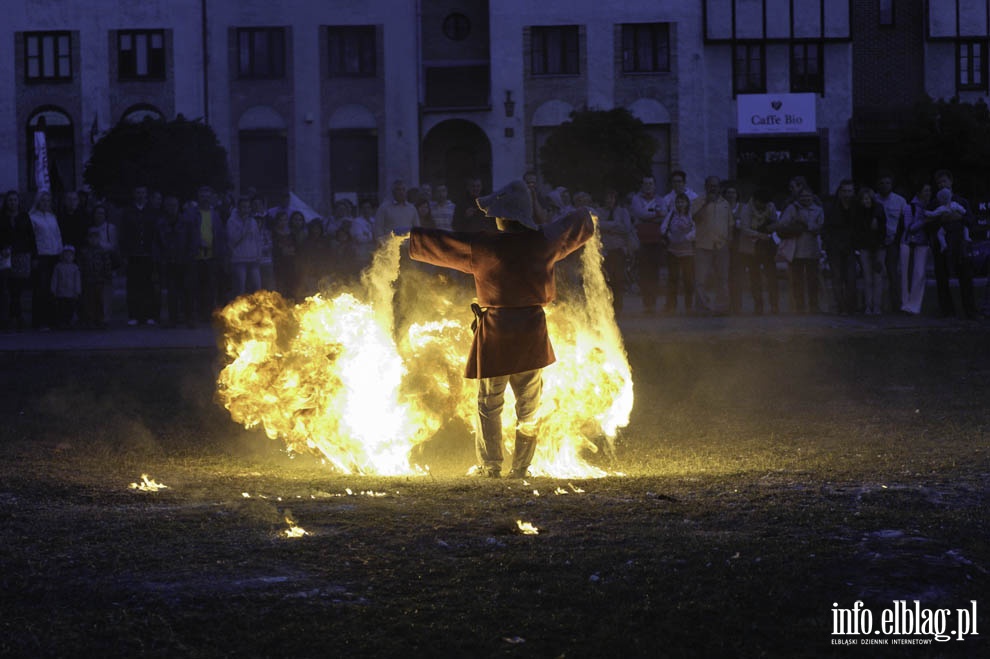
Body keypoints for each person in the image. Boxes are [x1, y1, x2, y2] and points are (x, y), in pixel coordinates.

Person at [403, 179, 596, 479]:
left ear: (503, 216)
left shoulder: (484, 247)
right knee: (529, 407)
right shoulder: (543, 241)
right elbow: (574, 224)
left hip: (496, 333)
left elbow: (444, 243)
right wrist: (587, 216)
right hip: (532, 332)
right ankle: (521, 468)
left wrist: (410, 237)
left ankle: (491, 466)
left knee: (490, 405)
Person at [928, 169, 978, 319]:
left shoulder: (961, 202)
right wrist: (940, 221)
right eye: (939, 183)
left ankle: (970, 310)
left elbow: (971, 221)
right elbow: (929, 225)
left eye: (944, 181)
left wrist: (958, 218)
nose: (942, 185)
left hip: (960, 245)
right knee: (942, 279)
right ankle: (947, 311)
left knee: (966, 278)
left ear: (951, 181)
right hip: (942, 247)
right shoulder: (934, 204)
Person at [772, 187, 824, 313]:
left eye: (808, 196)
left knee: (813, 281)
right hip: (795, 250)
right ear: (798, 197)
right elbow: (782, 224)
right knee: (797, 281)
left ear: (812, 197)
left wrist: (805, 224)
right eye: (803, 196)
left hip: (812, 250)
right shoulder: (792, 208)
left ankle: (814, 306)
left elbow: (820, 228)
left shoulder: (818, 210)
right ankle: (800, 307)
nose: (805, 198)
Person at [691, 175, 733, 315]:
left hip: (721, 246)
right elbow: (696, 219)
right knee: (701, 279)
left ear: (719, 188)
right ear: (706, 187)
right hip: (703, 246)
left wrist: (729, 241)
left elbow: (730, 225)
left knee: (722, 279)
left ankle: (721, 308)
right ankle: (703, 308)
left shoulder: (725, 204)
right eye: (710, 186)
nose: (713, 188)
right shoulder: (698, 201)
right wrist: (706, 204)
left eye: (715, 186)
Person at [187, 185, 228, 322]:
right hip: (196, 256)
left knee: (210, 288)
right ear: (198, 197)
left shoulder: (215, 215)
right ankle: (195, 315)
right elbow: (188, 233)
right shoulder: (192, 213)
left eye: (207, 196)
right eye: (202, 196)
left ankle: (208, 315)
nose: (205, 198)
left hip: (212, 257)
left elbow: (220, 235)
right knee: (195, 288)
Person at [154, 194, 198, 327]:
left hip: (185, 261)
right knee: (172, 292)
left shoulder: (187, 221)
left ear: (178, 206)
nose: (172, 208)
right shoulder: (160, 223)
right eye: (169, 205)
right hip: (168, 261)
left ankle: (189, 318)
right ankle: (173, 318)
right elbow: (157, 243)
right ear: (165, 207)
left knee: (188, 291)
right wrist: (160, 259)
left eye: (174, 205)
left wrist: (190, 256)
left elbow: (193, 240)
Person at [119, 185, 160, 325]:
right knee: (133, 285)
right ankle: (134, 315)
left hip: (148, 254)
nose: (140, 195)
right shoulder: (128, 212)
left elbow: (156, 232)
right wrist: (124, 253)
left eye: (143, 192)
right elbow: (123, 233)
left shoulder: (152, 211)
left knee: (148, 285)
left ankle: (149, 314)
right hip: (133, 254)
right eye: (138, 192)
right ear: (134, 194)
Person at [737, 189, 780, 314]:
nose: (764, 206)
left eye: (766, 204)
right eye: (762, 203)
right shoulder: (746, 210)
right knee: (755, 277)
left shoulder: (770, 206)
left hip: (767, 246)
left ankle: (774, 306)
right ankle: (759, 306)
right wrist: (760, 234)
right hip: (751, 247)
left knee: (771, 277)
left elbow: (776, 222)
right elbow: (744, 229)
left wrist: (769, 229)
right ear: (755, 201)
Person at [629, 176, 666, 314]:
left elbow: (664, 215)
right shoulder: (636, 199)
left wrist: (647, 216)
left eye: (651, 183)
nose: (648, 186)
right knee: (644, 273)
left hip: (656, 240)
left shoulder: (660, 199)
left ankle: (653, 304)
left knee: (654, 273)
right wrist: (655, 214)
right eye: (646, 183)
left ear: (655, 185)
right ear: (642, 185)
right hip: (641, 241)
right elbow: (639, 214)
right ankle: (646, 303)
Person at [28, 190, 64, 330]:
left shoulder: (52, 217)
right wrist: (34, 256)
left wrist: (61, 251)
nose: (46, 203)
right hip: (41, 255)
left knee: (52, 289)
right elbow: (31, 239)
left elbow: (57, 235)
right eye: (43, 200)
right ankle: (39, 321)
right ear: (38, 201)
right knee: (40, 289)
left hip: (54, 255)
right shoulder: (32, 217)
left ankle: (52, 320)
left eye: (48, 200)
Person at [597, 188, 636, 314]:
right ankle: (608, 307)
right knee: (606, 279)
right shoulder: (600, 212)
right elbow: (598, 226)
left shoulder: (623, 212)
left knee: (618, 279)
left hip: (619, 250)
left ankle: (618, 306)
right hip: (605, 251)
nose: (609, 200)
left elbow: (626, 228)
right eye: (607, 198)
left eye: (612, 198)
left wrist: (609, 226)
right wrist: (614, 225)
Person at [823, 179, 858, 315]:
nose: (847, 194)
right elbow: (826, 226)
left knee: (851, 279)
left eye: (849, 191)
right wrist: (829, 243)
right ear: (840, 192)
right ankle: (841, 307)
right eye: (844, 191)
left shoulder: (856, 206)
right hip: (835, 246)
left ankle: (850, 306)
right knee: (837, 278)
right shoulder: (831, 206)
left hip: (850, 246)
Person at [1, 190, 34, 330]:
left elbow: (29, 235)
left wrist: (33, 254)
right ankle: (15, 318)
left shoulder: (24, 216)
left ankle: (15, 317)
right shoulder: (1, 217)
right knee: (9, 287)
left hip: (22, 255)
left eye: (15, 200)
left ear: (18, 201)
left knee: (18, 288)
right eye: (10, 200)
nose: (13, 202)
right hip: (5, 255)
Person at [851, 186, 887, 315]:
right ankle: (868, 305)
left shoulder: (878, 211)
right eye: (863, 199)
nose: (866, 201)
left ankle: (877, 306)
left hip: (878, 248)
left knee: (878, 277)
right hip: (864, 248)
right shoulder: (858, 213)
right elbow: (857, 231)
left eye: (868, 198)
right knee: (867, 277)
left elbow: (883, 230)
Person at [899, 182, 934, 315]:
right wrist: (925, 221)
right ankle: (905, 303)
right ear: (918, 193)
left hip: (923, 244)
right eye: (926, 191)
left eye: (929, 190)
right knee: (905, 274)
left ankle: (914, 306)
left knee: (919, 274)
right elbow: (909, 228)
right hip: (908, 243)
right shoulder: (910, 207)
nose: (928, 193)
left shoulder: (930, 207)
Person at [875, 174, 908, 312]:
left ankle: (896, 305)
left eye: (888, 182)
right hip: (876, 243)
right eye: (882, 182)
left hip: (893, 242)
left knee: (893, 273)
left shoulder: (900, 201)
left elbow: (904, 222)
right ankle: (878, 305)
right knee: (877, 274)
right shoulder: (873, 199)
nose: (885, 185)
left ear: (892, 184)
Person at [659, 192, 696, 314]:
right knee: (672, 280)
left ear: (687, 203)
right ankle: (671, 306)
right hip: (673, 251)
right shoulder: (671, 214)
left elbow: (696, 229)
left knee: (688, 280)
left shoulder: (691, 215)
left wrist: (687, 237)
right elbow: (663, 227)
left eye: (683, 201)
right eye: (678, 202)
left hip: (687, 253)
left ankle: (688, 306)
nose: (680, 204)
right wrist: (669, 235)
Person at [77, 226, 114, 329]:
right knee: (89, 301)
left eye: (96, 237)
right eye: (91, 237)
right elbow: (81, 265)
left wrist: (107, 276)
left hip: (100, 280)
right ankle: (90, 320)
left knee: (100, 301)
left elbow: (107, 265)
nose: (93, 240)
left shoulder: (103, 251)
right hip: (87, 280)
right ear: (88, 239)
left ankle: (100, 319)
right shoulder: (84, 252)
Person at [89, 204, 119, 325]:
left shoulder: (110, 228)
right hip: (93, 264)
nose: (99, 215)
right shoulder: (90, 228)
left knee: (107, 291)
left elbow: (113, 245)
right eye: (97, 213)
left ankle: (106, 317)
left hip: (106, 263)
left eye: (102, 213)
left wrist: (99, 246)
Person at [227, 196, 263, 298]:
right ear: (238, 208)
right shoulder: (231, 221)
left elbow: (257, 239)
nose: (246, 210)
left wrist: (259, 254)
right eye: (243, 207)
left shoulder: (253, 221)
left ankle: (259, 311)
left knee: (257, 287)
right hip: (239, 260)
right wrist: (244, 228)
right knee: (240, 289)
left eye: (248, 207)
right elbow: (233, 240)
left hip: (253, 259)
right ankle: (238, 310)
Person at [50, 245, 81, 329]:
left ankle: (69, 321)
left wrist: (77, 291)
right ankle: (62, 322)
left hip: (71, 293)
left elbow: (77, 280)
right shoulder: (58, 267)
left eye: (70, 255)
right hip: (61, 292)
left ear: (73, 256)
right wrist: (53, 289)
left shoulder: (75, 267)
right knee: (61, 308)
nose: (68, 257)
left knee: (70, 308)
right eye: (66, 254)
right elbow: (55, 278)